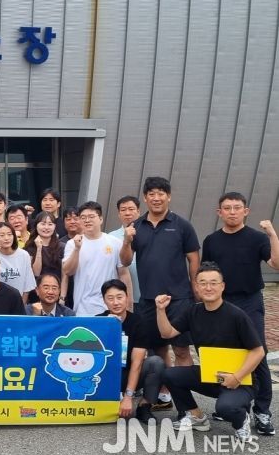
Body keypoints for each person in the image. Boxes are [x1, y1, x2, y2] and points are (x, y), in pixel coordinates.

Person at [156, 263, 264, 440]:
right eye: (203, 283)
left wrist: (236, 377)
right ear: (197, 287)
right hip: (210, 375)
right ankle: (197, 416)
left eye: (213, 283)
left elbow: (258, 351)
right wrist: (160, 310)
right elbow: (167, 333)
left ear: (222, 286)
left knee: (225, 408)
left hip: (241, 380)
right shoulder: (193, 311)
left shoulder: (236, 315)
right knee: (169, 374)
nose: (208, 287)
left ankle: (241, 419)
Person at [201, 192, 279, 435]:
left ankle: (262, 411)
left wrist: (272, 234)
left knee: (257, 352)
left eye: (237, 208)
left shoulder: (257, 238)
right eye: (227, 208)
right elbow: (206, 272)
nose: (232, 212)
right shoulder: (212, 240)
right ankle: (233, 403)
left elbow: (276, 264)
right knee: (225, 352)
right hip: (221, 302)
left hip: (249, 301)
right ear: (219, 212)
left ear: (246, 211)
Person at [120, 176, 199, 369]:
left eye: (161, 194)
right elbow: (125, 260)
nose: (156, 198)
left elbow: (194, 259)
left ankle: (183, 387)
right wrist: (127, 241)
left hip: (179, 299)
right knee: (157, 349)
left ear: (169, 196)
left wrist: (195, 289)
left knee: (181, 349)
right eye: (151, 194)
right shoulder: (136, 227)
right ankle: (164, 386)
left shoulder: (182, 225)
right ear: (145, 198)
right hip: (149, 300)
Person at [97, 279, 162, 424]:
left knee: (155, 363)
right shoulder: (98, 321)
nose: (116, 302)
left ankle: (144, 407)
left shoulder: (139, 322)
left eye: (119, 297)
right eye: (110, 298)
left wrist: (128, 397)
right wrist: (108, 326)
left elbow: (137, 363)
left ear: (127, 297)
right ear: (104, 301)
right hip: (103, 376)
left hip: (127, 374)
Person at [62, 201, 132, 317]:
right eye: (83, 217)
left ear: (101, 219)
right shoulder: (72, 244)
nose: (87, 220)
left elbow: (124, 274)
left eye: (91, 216)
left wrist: (129, 305)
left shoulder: (115, 242)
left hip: (111, 307)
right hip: (83, 308)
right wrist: (77, 249)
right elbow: (68, 271)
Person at [109, 196, 142, 309]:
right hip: (121, 300)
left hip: (148, 296)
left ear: (138, 211)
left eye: (131, 209)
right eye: (123, 210)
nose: (127, 213)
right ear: (119, 214)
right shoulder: (111, 237)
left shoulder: (149, 233)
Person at [0, 222, 36, 305]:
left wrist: (21, 306)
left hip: (18, 303)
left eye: (9, 234)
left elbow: (27, 285)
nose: (6, 238)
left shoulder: (24, 255)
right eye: (2, 235)